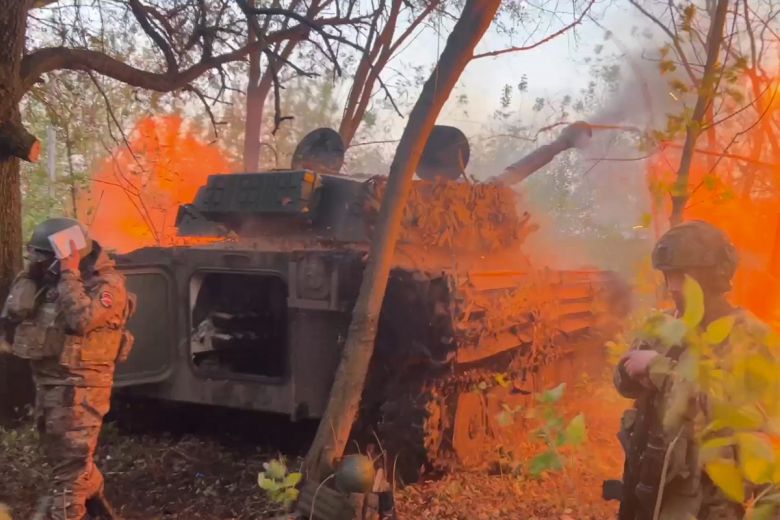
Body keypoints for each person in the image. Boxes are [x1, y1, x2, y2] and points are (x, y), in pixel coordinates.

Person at [613, 219, 774, 519]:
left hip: (707, 501)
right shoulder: (663, 325)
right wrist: (629, 373)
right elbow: (623, 379)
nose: (672, 286)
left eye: (681, 276)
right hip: (648, 484)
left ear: (711, 276)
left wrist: (659, 370)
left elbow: (744, 412)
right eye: (668, 275)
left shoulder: (748, 336)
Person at [1, 217, 135, 520]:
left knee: (68, 479)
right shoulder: (47, 280)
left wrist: (68, 272)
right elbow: (14, 311)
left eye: (44, 256)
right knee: (69, 464)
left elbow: (81, 320)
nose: (38, 262)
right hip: (49, 384)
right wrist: (34, 274)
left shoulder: (107, 285)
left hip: (81, 389)